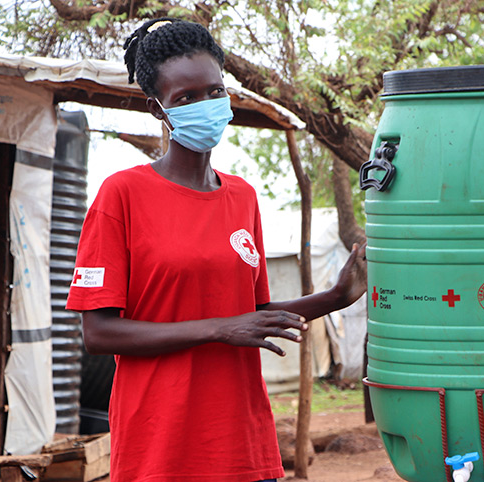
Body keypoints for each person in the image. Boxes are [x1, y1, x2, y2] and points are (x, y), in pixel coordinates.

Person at [65, 17, 367, 482]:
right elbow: (99, 333)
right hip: (161, 444)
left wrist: (334, 298)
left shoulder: (242, 197)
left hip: (244, 442)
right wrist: (219, 329)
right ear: (157, 109)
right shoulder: (121, 195)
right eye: (185, 98)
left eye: (214, 91)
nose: (205, 105)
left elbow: (254, 313)